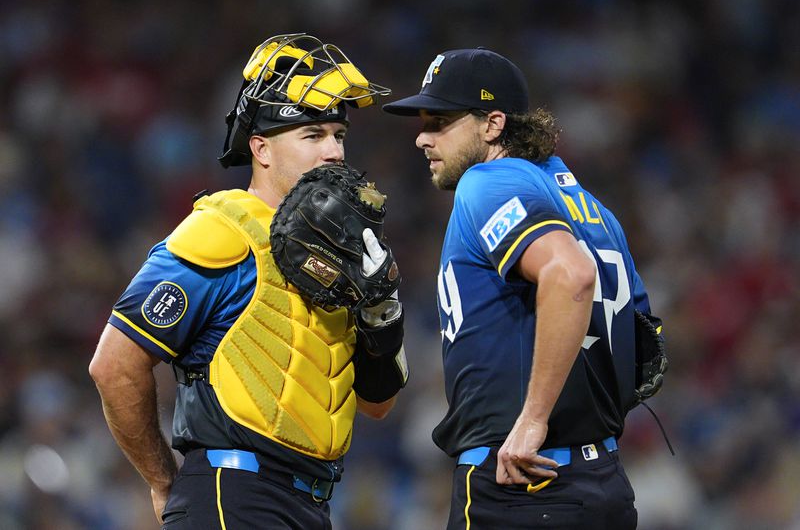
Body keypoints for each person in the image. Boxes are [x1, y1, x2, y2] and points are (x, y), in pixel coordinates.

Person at [89, 33, 408, 529]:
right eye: (312, 135)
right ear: (260, 147)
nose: (332, 151)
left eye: (338, 135)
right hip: (231, 493)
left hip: (312, 504)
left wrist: (380, 313)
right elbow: (114, 365)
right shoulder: (223, 230)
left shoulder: (345, 248)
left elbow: (378, 404)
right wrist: (162, 480)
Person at [384, 47, 663, 529]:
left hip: (524, 483)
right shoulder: (592, 209)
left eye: (440, 121)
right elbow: (645, 351)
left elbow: (569, 275)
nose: (422, 138)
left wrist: (535, 418)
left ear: (493, 124)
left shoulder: (487, 181)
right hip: (601, 482)